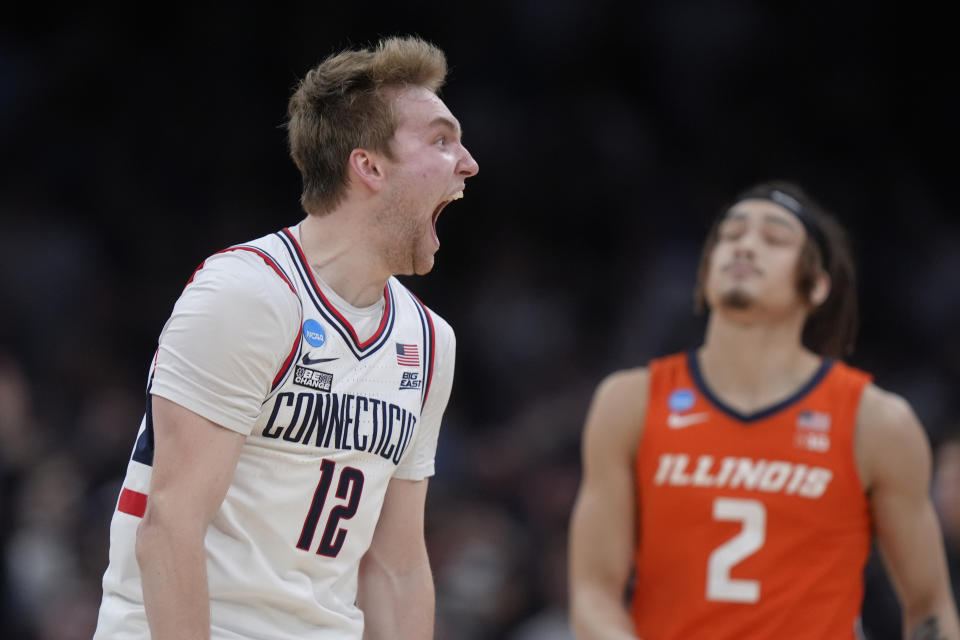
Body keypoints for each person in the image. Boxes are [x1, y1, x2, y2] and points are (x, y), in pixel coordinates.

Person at [94, 35, 478, 639]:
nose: (468, 162)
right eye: (441, 139)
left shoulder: (429, 342)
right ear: (368, 165)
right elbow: (169, 525)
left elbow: (397, 566)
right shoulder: (249, 295)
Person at [568, 181, 960, 639]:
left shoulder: (875, 423)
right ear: (706, 270)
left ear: (815, 285)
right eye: (731, 236)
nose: (746, 245)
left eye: (774, 239)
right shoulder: (629, 403)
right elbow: (594, 592)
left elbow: (929, 608)